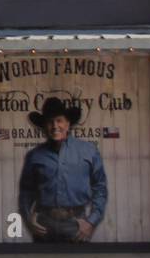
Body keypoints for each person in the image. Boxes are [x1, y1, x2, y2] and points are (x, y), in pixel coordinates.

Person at [18, 97, 108, 243]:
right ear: (44, 126)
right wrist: (29, 217)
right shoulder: (34, 156)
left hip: (76, 225)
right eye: (50, 122)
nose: (55, 126)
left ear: (68, 124)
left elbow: (100, 188)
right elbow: (26, 191)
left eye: (59, 120)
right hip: (43, 225)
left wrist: (91, 221)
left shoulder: (89, 151)